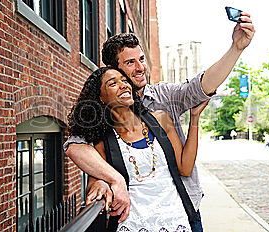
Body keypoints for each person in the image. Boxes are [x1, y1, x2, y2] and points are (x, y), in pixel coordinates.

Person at [65, 12, 255, 231]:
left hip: (182, 213)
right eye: (130, 62)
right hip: (134, 221)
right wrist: (103, 179)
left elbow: (200, 87)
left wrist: (236, 48)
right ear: (114, 70)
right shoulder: (101, 125)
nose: (140, 67)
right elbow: (76, 146)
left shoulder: (163, 98)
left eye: (142, 59)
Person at [68, 66, 208, 231]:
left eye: (125, 81)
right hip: (133, 223)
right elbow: (95, 181)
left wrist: (195, 119)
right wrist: (100, 184)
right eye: (113, 83)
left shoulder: (161, 119)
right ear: (101, 98)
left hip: (174, 219)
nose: (124, 85)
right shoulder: (102, 141)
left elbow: (185, 168)